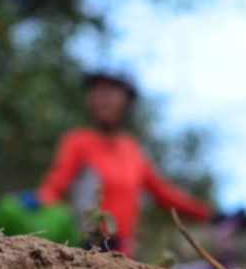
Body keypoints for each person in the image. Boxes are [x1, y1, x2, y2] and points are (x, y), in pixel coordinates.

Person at [33, 71, 215, 258]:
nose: (101, 98)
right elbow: (54, 187)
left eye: (110, 92)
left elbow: (165, 194)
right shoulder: (77, 141)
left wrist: (210, 215)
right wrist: (37, 202)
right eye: (96, 91)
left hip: (124, 257)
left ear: (127, 101)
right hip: (84, 252)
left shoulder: (132, 149)